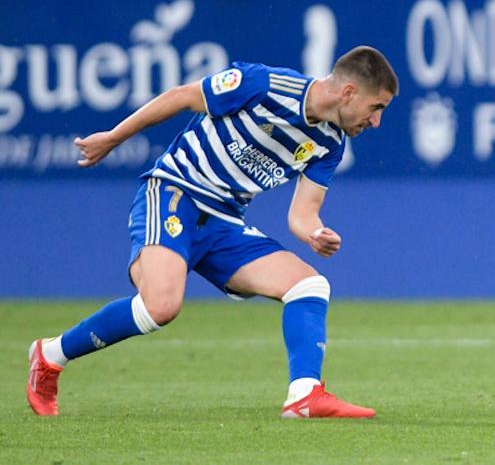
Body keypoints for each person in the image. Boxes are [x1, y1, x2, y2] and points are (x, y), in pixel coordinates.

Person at [26, 47, 398, 418]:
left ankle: (304, 395)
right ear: (348, 92)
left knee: (309, 285)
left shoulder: (331, 143)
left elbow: (303, 213)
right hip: (175, 193)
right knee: (160, 308)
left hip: (224, 222)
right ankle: (50, 355)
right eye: (376, 107)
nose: (377, 122)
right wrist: (113, 137)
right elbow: (181, 97)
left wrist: (315, 232)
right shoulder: (264, 83)